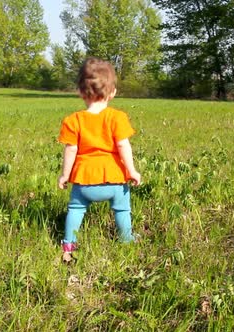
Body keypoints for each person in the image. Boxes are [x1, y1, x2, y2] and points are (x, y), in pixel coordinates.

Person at [57, 57, 141, 260]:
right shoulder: (117, 117)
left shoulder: (73, 120)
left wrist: (65, 175)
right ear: (112, 92)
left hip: (84, 181)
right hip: (114, 179)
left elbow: (70, 150)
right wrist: (131, 171)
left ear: (80, 91)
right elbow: (123, 146)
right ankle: (126, 238)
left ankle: (69, 244)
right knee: (122, 209)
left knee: (75, 209)